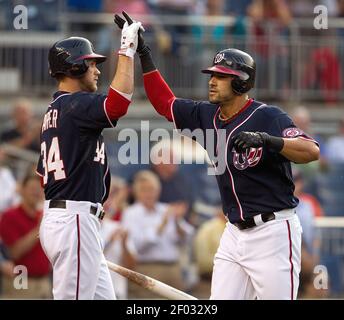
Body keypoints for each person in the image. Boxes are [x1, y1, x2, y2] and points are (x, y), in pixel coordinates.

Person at [114, 11, 320, 299]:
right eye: (212, 74)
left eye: (222, 77)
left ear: (241, 83)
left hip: (273, 231)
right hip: (234, 233)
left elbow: (311, 151)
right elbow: (165, 103)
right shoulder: (206, 115)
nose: (212, 81)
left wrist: (268, 141)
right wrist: (145, 54)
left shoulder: (268, 116)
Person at [36, 16, 143, 300]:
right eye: (91, 63)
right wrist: (127, 48)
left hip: (70, 217)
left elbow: (41, 175)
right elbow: (118, 103)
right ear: (75, 66)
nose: (96, 70)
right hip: (75, 219)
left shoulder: (54, 111)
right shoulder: (75, 104)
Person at [122, 170, 194, 299]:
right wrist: (161, 226)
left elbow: (187, 238)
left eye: (152, 189)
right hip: (147, 269)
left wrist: (177, 221)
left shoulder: (166, 209)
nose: (149, 193)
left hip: (173, 269)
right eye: (144, 189)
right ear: (136, 192)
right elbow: (136, 246)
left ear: (158, 191)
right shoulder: (131, 213)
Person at [0, 172, 51, 299]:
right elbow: (14, 252)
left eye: (40, 190)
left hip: (44, 282)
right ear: (22, 190)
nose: (37, 193)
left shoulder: (44, 216)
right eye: (32, 189)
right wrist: (38, 228)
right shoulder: (10, 216)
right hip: (20, 282)